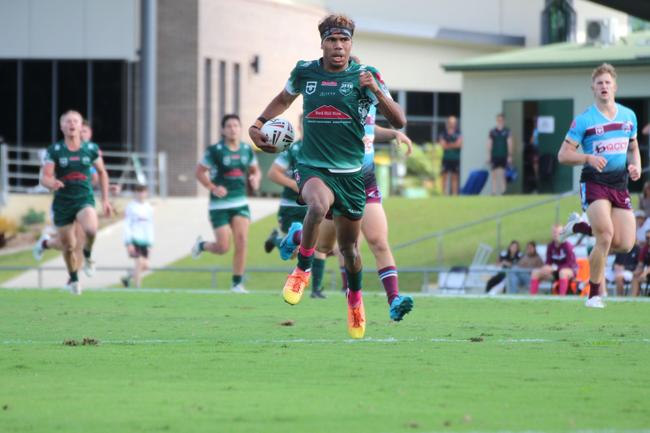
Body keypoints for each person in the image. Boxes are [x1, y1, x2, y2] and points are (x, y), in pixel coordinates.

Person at [248, 14, 406, 338]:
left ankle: (355, 301)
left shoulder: (366, 76)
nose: (338, 46)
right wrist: (258, 124)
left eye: (344, 40)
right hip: (313, 167)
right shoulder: (305, 71)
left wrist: (375, 90)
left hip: (353, 175)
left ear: (351, 44)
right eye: (332, 40)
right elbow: (283, 98)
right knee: (317, 206)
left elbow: (399, 120)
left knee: (350, 251)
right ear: (322, 43)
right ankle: (302, 270)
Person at [283, 98, 415, 320]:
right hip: (338, 181)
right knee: (325, 246)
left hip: (366, 180)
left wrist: (393, 134)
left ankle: (394, 300)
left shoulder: (370, 98)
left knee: (379, 242)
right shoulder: (336, 102)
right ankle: (297, 234)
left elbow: (370, 130)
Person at [558, 63, 640, 308]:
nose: (604, 86)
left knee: (625, 243)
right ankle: (593, 295)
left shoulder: (629, 116)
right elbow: (563, 155)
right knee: (604, 235)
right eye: (599, 83)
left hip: (619, 184)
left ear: (614, 86)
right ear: (593, 88)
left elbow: (633, 148)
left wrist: (634, 166)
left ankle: (579, 226)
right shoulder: (584, 120)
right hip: (594, 182)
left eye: (607, 82)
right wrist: (587, 158)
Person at [39, 110, 113, 294]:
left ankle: (88, 255)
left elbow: (102, 173)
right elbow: (45, 177)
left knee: (91, 230)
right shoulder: (55, 150)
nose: (71, 124)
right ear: (61, 126)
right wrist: (52, 183)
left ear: (81, 126)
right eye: (67, 121)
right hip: (63, 204)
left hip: (83, 199)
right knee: (69, 246)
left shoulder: (91, 149)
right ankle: (73, 278)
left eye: (75, 121)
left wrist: (105, 200)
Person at [192, 114, 261, 293]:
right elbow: (199, 172)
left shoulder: (247, 149)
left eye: (236, 125)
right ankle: (202, 245)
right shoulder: (215, 150)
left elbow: (255, 170)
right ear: (223, 130)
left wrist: (255, 179)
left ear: (240, 128)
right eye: (229, 126)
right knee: (223, 247)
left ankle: (237, 283)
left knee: (242, 241)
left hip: (240, 203)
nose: (233, 129)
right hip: (219, 205)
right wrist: (212, 187)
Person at [121, 184, 154, 288]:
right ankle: (137, 287)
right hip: (134, 239)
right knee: (139, 263)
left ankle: (128, 277)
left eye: (143, 191)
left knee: (146, 265)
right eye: (139, 191)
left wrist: (150, 243)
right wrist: (128, 242)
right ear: (135, 193)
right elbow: (127, 225)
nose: (141, 194)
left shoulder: (148, 207)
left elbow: (150, 226)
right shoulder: (131, 207)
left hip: (145, 240)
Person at [530, 225, 577, 296]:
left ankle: (562, 298)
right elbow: (548, 261)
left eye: (558, 232)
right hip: (555, 272)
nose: (555, 234)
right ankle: (532, 298)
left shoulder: (568, 246)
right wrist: (546, 267)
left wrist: (555, 268)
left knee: (562, 272)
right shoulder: (550, 246)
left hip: (569, 271)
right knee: (535, 272)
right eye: (554, 232)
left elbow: (570, 264)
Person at [487, 113, 512, 195]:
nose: (500, 121)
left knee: (503, 174)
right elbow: (489, 143)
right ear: (496, 120)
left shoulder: (507, 131)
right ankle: (494, 192)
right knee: (494, 174)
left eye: (501, 120)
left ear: (504, 121)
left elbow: (510, 143)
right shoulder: (492, 131)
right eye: (498, 120)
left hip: (504, 155)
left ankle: (503, 191)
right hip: (495, 155)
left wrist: (509, 155)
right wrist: (489, 155)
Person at [439, 115, 462, 195]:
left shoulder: (458, 133)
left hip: (455, 158)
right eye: (451, 122)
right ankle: (443, 194)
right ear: (448, 123)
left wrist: (448, 144)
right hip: (446, 158)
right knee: (444, 176)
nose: (452, 124)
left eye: (454, 122)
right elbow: (443, 145)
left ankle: (454, 194)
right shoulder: (443, 133)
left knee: (455, 177)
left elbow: (459, 145)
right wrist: (453, 144)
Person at [631, 231, 650, 296]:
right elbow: (640, 264)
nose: (648, 240)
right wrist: (636, 272)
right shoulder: (645, 249)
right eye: (647, 238)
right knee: (635, 277)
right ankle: (634, 299)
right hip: (648, 273)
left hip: (647, 272)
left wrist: (644, 273)